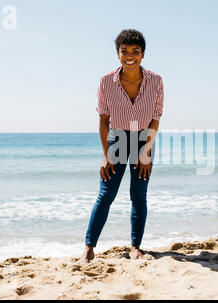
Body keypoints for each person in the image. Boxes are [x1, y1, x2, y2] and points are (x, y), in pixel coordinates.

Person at [79, 29, 164, 263]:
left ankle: (136, 247)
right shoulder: (106, 81)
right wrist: (106, 156)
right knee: (106, 195)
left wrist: (145, 152)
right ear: (117, 54)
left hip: (143, 139)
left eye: (135, 52)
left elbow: (155, 118)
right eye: (124, 51)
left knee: (139, 196)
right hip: (116, 139)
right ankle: (88, 247)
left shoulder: (156, 81)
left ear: (143, 54)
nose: (130, 56)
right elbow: (103, 120)